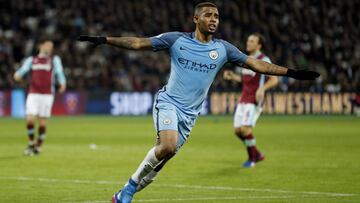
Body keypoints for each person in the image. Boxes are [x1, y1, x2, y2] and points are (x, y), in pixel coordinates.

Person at [77, 2, 319, 202]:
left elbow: (258, 65)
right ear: (196, 19)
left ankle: (121, 196)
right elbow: (139, 43)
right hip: (169, 102)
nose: (214, 19)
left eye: (217, 16)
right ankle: (129, 188)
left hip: (190, 116)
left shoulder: (223, 49)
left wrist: (291, 73)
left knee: (160, 159)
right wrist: (105, 39)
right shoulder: (176, 40)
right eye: (208, 15)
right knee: (167, 147)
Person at [223, 33, 278, 168]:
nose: (248, 43)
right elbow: (245, 80)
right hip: (243, 99)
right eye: (248, 40)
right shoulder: (246, 60)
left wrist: (263, 88)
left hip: (254, 100)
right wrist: (233, 77)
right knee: (237, 131)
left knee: (245, 130)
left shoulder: (263, 59)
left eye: (252, 41)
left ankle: (251, 159)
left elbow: (274, 79)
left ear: (259, 45)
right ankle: (257, 154)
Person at [14, 39, 66, 156]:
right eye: (47, 45)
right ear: (40, 46)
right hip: (33, 93)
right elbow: (22, 71)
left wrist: (63, 83)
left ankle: (39, 145)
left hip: (47, 94)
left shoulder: (54, 59)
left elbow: (59, 72)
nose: (49, 48)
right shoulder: (32, 60)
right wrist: (17, 75)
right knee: (30, 119)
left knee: (42, 123)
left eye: (51, 46)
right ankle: (31, 142)